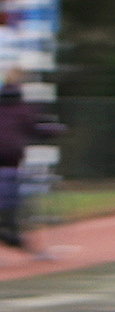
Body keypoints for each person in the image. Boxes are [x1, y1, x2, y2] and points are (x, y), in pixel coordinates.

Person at [0, 83, 64, 256]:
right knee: (16, 205)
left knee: (9, 205)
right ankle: (17, 238)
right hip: (11, 165)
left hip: (8, 166)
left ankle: (11, 234)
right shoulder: (23, 111)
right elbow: (35, 129)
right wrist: (56, 130)